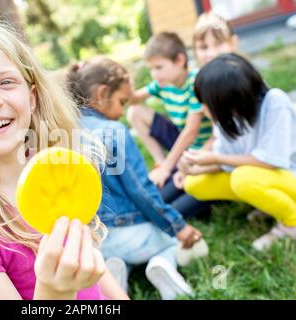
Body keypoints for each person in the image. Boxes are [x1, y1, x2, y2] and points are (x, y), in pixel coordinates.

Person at [0, 22, 128, 300]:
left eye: (6, 82)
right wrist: (55, 290)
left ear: (31, 98)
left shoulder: (57, 175)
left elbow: (98, 280)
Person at [67, 56, 204, 300]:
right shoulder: (114, 131)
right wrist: (178, 227)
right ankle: (162, 264)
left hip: (95, 241)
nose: (121, 112)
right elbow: (141, 191)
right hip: (132, 234)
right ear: (101, 94)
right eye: (121, 102)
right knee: (170, 242)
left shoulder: (64, 129)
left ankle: (116, 270)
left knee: (117, 254)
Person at [180, 53, 296, 251]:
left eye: (207, 102)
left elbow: (269, 161)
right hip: (260, 174)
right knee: (194, 183)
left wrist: (214, 158)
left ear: (227, 99)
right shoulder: (230, 116)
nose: (203, 107)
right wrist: (195, 167)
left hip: (288, 173)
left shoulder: (274, 102)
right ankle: (269, 204)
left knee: (243, 178)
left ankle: (291, 223)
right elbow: (231, 161)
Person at [126, 32, 212, 219]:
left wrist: (167, 168)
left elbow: (191, 131)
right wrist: (126, 84)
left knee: (164, 202)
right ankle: (162, 162)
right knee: (134, 111)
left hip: (199, 148)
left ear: (180, 60)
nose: (154, 74)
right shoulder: (163, 83)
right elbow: (133, 99)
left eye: (159, 67)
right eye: (151, 68)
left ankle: (169, 169)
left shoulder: (196, 82)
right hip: (180, 142)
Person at [164, 12, 240, 219]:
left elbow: (230, 139)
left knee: (174, 211)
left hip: (236, 164)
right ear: (195, 52)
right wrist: (190, 164)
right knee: (164, 195)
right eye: (204, 47)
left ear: (233, 43)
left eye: (219, 44)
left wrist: (198, 165)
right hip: (215, 157)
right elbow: (216, 134)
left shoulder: (241, 81)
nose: (211, 53)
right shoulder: (203, 82)